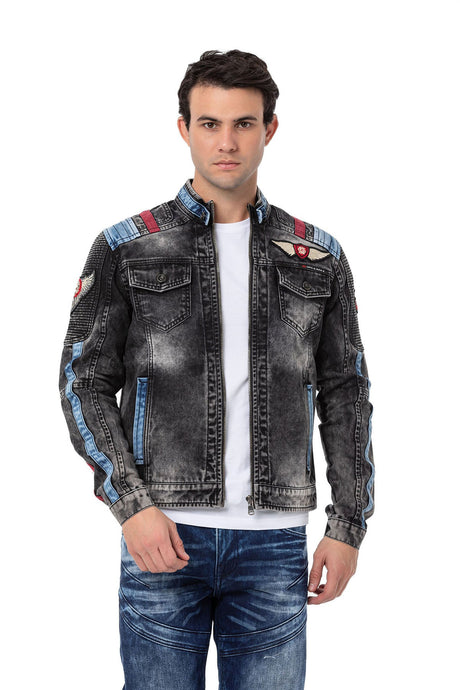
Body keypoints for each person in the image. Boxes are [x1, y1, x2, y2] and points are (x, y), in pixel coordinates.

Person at [59, 49, 374, 690]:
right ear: (184, 128)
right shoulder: (127, 247)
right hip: (163, 534)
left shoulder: (316, 255)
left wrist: (348, 526)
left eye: (243, 124)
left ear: (269, 129)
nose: (226, 143)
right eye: (209, 124)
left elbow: (347, 395)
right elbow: (82, 384)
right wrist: (131, 506)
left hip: (274, 545)